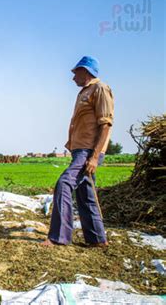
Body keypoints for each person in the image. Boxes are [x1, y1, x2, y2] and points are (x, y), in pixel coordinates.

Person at [41, 56, 114, 247]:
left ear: (86, 71)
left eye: (76, 73)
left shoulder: (100, 89)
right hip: (79, 150)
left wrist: (95, 156)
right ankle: (97, 239)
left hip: (88, 151)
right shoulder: (84, 92)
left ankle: (59, 237)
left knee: (64, 183)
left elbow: (105, 124)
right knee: (85, 193)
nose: (73, 77)